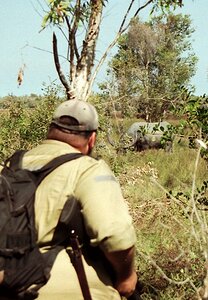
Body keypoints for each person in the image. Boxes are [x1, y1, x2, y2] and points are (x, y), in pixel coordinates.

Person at [20, 100, 137, 299]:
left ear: (50, 131)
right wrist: (126, 276)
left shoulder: (10, 165)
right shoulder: (88, 168)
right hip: (64, 287)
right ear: (92, 139)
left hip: (7, 282)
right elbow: (114, 235)